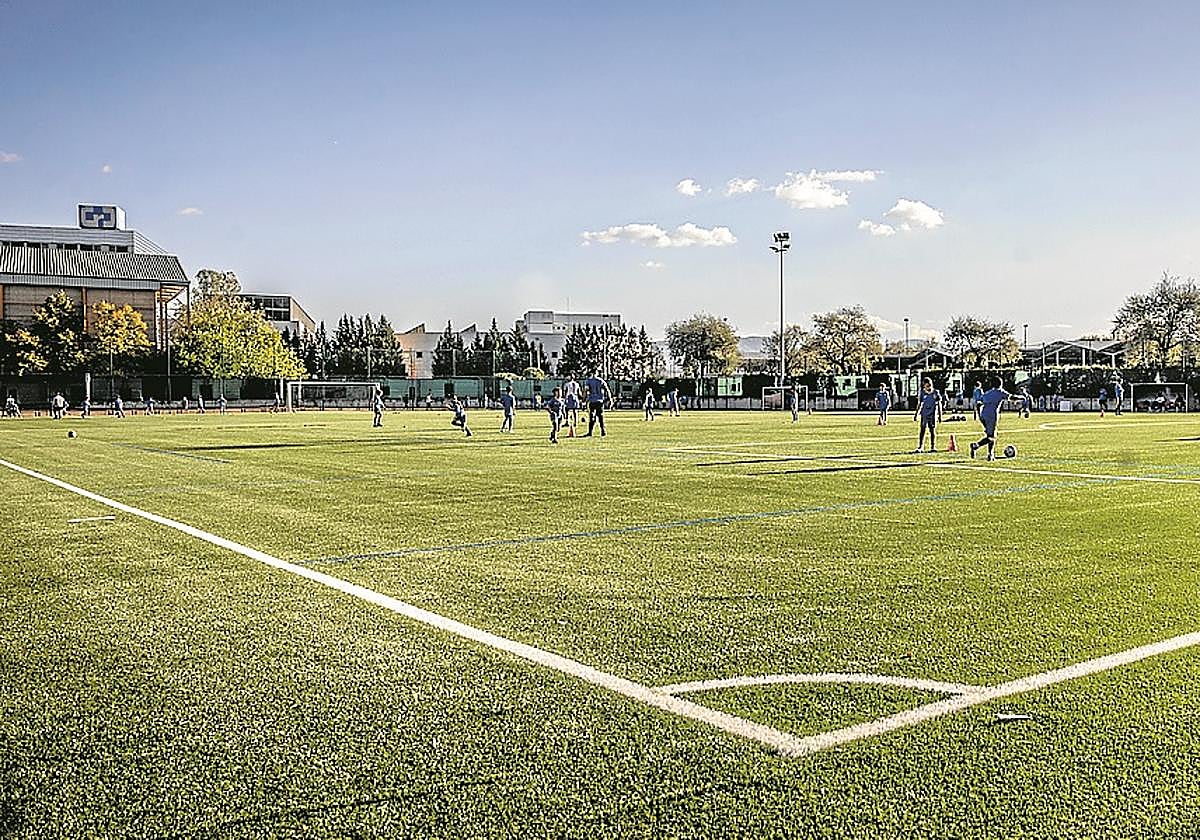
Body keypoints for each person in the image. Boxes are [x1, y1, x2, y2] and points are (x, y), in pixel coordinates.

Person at [970, 376, 1012, 461]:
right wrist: (1022, 398)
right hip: (992, 416)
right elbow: (1011, 397)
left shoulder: (988, 393)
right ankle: (976, 445)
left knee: (991, 435)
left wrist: (979, 415)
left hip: (984, 415)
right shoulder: (1000, 392)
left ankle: (990, 455)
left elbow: (979, 403)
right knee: (992, 437)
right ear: (1001, 384)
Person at [912, 378, 943, 453]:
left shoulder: (935, 392)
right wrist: (916, 414)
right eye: (927, 386)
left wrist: (940, 415)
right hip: (924, 414)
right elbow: (919, 403)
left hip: (932, 414)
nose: (928, 387)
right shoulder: (922, 393)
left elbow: (939, 404)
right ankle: (920, 447)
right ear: (924, 386)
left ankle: (933, 447)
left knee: (932, 430)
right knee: (922, 430)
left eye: (930, 385)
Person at [583, 372, 612, 437]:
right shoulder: (601, 380)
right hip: (600, 401)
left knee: (592, 416)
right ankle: (603, 431)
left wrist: (583, 400)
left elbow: (586, 391)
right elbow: (607, 389)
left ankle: (590, 432)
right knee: (600, 416)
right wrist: (610, 399)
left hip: (592, 401)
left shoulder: (588, 381)